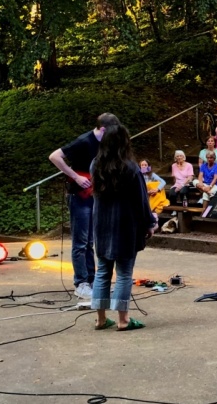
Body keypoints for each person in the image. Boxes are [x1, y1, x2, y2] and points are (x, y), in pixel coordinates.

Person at [49, 112, 121, 299]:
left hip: (95, 196)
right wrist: (76, 176)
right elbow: (55, 156)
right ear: (103, 129)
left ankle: (93, 280)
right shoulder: (83, 141)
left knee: (91, 241)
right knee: (80, 243)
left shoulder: (105, 143)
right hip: (79, 196)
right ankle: (81, 283)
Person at [89, 124, 155, 331]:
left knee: (102, 272)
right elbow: (141, 201)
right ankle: (123, 320)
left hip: (101, 224)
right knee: (124, 273)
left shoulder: (95, 165)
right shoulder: (131, 168)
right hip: (125, 225)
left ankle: (100, 319)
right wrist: (150, 223)